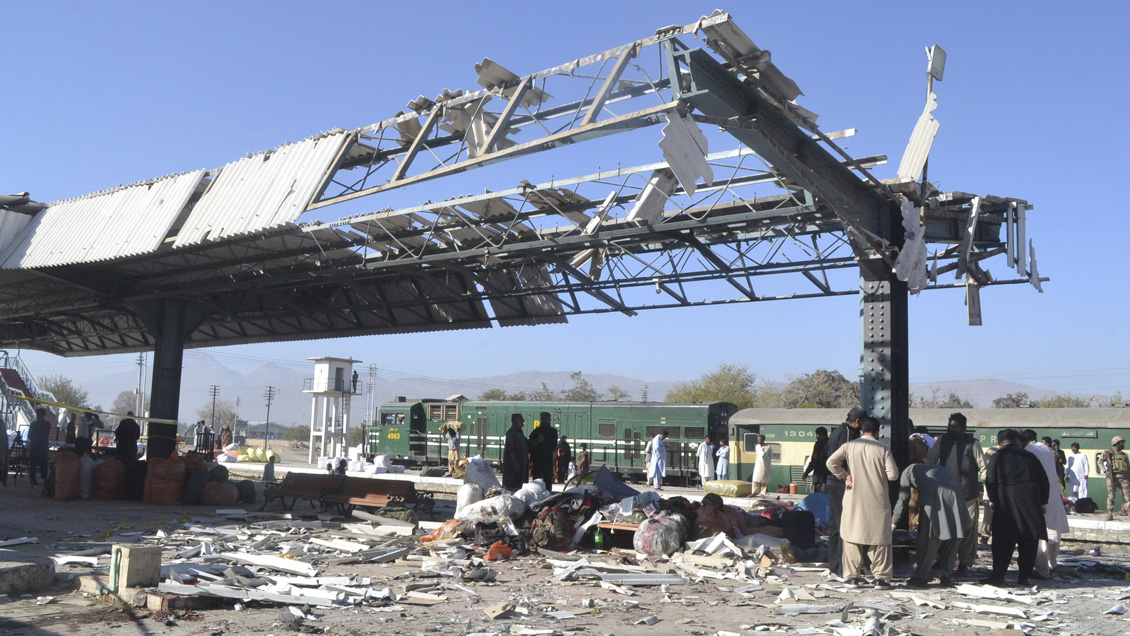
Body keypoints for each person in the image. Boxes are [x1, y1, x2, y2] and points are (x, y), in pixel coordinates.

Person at [826, 415, 899, 590]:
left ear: (860, 430)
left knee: (852, 536)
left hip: (853, 498)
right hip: (877, 499)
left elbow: (831, 462)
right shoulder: (883, 448)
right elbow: (893, 475)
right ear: (878, 431)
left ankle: (852, 577)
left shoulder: (849, 446)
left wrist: (845, 475)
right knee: (879, 538)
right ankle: (881, 578)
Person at [983, 429, 1048, 586]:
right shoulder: (1030, 456)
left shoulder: (997, 456)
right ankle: (1024, 577)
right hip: (1030, 504)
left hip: (1006, 503)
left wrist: (994, 500)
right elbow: (1044, 481)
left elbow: (990, 480)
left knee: (1002, 543)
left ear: (1000, 443)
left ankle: (998, 576)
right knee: (1028, 543)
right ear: (1017, 441)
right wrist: (1042, 502)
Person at [925, 412, 985, 577]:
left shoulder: (973, 444)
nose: (952, 430)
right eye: (950, 427)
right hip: (945, 495)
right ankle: (944, 560)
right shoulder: (942, 441)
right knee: (945, 529)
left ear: (964, 428)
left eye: (956, 427)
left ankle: (964, 563)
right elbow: (930, 461)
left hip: (968, 496)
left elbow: (984, 469)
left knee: (968, 530)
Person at [892, 462, 972, 587]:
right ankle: (947, 575)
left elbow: (904, 499)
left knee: (928, 538)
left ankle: (921, 576)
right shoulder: (935, 467)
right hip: (955, 495)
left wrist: (893, 522)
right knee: (953, 535)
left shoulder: (907, 471)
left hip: (934, 498)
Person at [1022, 428, 1070, 576]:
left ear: (1023, 441)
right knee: (1053, 528)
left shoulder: (1029, 451)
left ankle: (1042, 569)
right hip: (1053, 492)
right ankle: (1052, 562)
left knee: (1039, 533)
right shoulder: (1046, 448)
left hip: (1041, 494)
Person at [824, 406, 865, 578]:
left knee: (835, 525)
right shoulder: (847, 435)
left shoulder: (836, 432)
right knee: (844, 526)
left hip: (832, 483)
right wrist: (847, 476)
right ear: (857, 422)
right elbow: (842, 459)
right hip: (841, 483)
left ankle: (833, 566)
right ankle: (842, 567)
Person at [1100, 435, 1130, 521]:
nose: (1123, 444)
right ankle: (1110, 514)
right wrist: (1105, 471)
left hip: (1124, 478)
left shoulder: (1124, 455)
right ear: (1116, 443)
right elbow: (1100, 462)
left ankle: (1128, 512)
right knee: (1111, 496)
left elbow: (1128, 468)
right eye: (1121, 443)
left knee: (1127, 497)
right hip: (1112, 477)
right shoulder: (1108, 452)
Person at [527, 412, 558, 486]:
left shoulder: (553, 432)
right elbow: (530, 445)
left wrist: (544, 440)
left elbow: (554, 445)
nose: (544, 421)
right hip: (537, 461)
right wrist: (537, 441)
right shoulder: (536, 432)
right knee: (536, 484)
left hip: (548, 460)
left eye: (545, 419)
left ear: (549, 420)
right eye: (542, 419)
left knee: (548, 483)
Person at [502, 413, 529, 491]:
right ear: (516, 421)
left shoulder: (520, 432)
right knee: (511, 487)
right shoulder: (511, 432)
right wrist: (514, 463)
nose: (523, 421)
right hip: (513, 467)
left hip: (519, 465)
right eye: (521, 420)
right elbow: (510, 449)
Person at [802, 427, 830, 493]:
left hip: (819, 476)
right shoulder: (831, 443)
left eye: (817, 435)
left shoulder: (818, 444)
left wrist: (806, 472)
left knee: (819, 496)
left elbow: (814, 460)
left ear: (819, 435)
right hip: (829, 475)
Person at [27, 408, 51, 486]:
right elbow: (29, 435)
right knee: (33, 464)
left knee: (44, 463)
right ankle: (33, 479)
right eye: (37, 414)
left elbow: (45, 435)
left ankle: (44, 478)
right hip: (35, 446)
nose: (38, 416)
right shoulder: (33, 424)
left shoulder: (47, 424)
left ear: (43, 415)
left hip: (42, 446)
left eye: (39, 414)